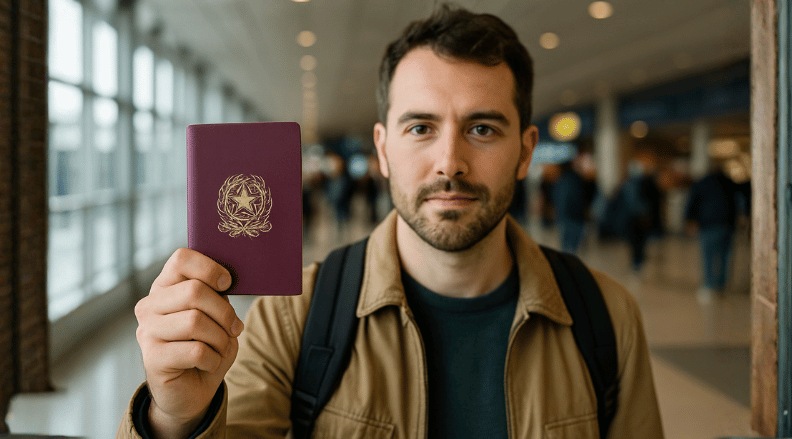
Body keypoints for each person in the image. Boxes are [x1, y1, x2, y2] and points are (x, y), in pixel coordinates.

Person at [118, 5, 663, 438]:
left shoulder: (605, 316)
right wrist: (176, 419)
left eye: (482, 129)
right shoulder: (298, 317)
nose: (450, 162)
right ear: (383, 149)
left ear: (525, 151)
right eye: (421, 128)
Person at [684, 163, 741, 302]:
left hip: (708, 225)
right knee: (725, 257)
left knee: (708, 257)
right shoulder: (729, 183)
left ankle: (709, 285)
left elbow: (692, 201)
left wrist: (689, 220)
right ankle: (721, 285)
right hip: (726, 224)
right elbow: (737, 201)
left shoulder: (702, 183)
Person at [552, 157, 595, 253]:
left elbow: (556, 198)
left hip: (565, 215)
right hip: (576, 216)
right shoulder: (576, 179)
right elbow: (583, 197)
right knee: (573, 244)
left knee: (566, 242)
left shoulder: (560, 180)